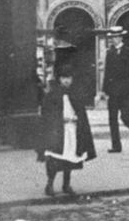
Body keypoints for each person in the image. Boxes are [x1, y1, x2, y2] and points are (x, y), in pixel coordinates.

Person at [39, 65, 96, 196]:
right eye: (64, 78)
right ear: (59, 79)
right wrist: (56, 122)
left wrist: (78, 121)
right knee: (54, 157)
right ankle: (50, 184)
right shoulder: (52, 94)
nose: (66, 81)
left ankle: (66, 184)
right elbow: (47, 113)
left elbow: (81, 112)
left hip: (72, 130)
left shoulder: (75, 94)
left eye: (68, 78)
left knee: (70, 157)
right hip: (58, 131)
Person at [98, 26, 129, 153]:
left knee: (125, 117)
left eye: (115, 37)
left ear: (120, 37)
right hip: (113, 92)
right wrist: (104, 90)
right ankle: (116, 146)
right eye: (111, 37)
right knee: (112, 119)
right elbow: (107, 72)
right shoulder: (109, 53)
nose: (113, 40)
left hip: (126, 92)